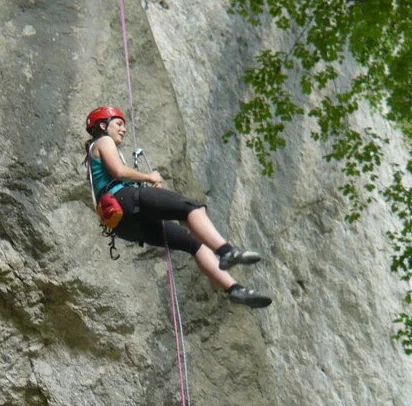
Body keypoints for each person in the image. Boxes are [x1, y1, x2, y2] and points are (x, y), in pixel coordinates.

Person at [84, 106, 272, 308]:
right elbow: (119, 172)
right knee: (191, 208)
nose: (124, 129)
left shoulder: (93, 155)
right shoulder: (104, 141)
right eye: (119, 124)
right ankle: (227, 251)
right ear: (103, 126)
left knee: (193, 244)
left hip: (123, 225)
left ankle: (235, 290)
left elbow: (112, 178)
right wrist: (150, 176)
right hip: (123, 199)